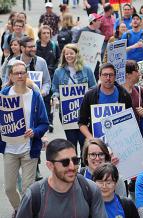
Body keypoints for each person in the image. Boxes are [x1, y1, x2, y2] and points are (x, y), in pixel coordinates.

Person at [0, 60, 49, 217]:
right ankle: (20, 209)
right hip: (10, 149)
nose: (20, 75)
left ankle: (24, 213)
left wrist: (34, 132)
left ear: (27, 75)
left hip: (29, 149)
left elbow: (44, 123)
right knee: (9, 188)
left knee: (27, 188)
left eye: (23, 72)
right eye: (17, 73)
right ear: (11, 76)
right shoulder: (4, 95)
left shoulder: (34, 96)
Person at [16, 139, 107, 218]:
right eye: (65, 162)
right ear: (50, 166)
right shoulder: (34, 195)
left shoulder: (90, 189)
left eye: (75, 160)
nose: (72, 167)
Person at [52, 44, 96, 156]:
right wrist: (55, 97)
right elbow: (55, 88)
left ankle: (85, 168)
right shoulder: (59, 71)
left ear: (77, 54)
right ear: (63, 55)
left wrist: (87, 93)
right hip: (67, 112)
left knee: (84, 142)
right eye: (66, 54)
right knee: (71, 142)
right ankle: (74, 167)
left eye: (71, 53)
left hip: (84, 111)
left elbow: (94, 87)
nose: (69, 56)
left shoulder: (87, 69)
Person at [78, 63, 132, 139]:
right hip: (98, 142)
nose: (108, 78)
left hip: (119, 141)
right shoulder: (89, 96)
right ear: (99, 76)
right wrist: (91, 138)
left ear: (115, 77)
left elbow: (130, 120)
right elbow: (82, 122)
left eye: (111, 75)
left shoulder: (124, 95)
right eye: (105, 75)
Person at [36, 25, 61, 133]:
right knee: (37, 99)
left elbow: (58, 60)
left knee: (48, 100)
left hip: (49, 77)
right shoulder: (35, 46)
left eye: (48, 33)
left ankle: (49, 121)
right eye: (44, 33)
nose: (46, 35)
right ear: (40, 35)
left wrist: (52, 70)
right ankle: (37, 121)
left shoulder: (54, 46)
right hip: (36, 78)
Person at [123, 60, 143, 135]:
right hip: (122, 133)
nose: (139, 74)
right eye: (137, 71)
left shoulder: (139, 89)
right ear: (128, 74)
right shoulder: (117, 91)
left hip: (138, 133)